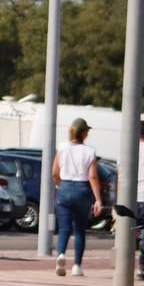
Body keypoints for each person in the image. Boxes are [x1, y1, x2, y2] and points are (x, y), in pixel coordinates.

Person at [51, 117, 103, 277]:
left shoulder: (62, 148)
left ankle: (61, 255)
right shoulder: (90, 151)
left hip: (65, 188)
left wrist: (59, 185)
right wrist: (98, 199)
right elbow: (92, 176)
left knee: (64, 228)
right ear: (84, 133)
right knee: (79, 230)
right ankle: (76, 266)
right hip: (82, 190)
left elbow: (54, 172)